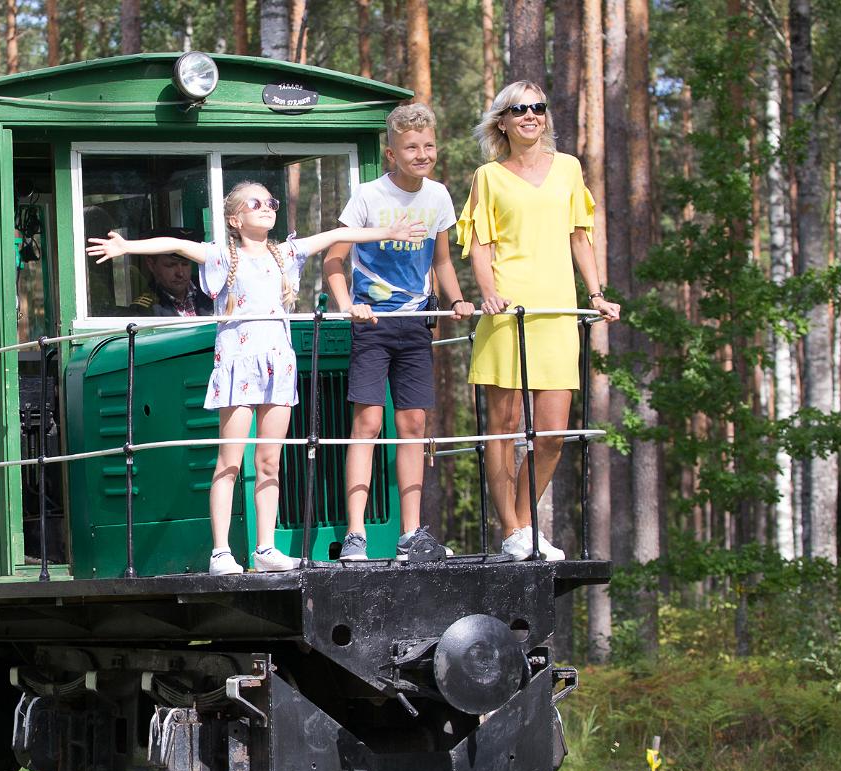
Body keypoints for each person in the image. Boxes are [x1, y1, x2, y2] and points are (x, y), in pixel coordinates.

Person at [87, 182, 427, 575]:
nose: (267, 208)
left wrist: (389, 233)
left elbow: (336, 234)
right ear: (235, 218)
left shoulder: (285, 254)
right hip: (238, 365)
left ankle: (266, 548)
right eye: (256, 203)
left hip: (278, 366)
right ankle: (221, 552)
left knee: (270, 461)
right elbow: (176, 245)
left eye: (272, 202)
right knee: (229, 461)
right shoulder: (220, 256)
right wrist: (126, 247)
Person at [458, 81, 621, 561]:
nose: (530, 115)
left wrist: (596, 293)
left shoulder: (568, 169)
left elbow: (580, 237)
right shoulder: (488, 176)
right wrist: (488, 294)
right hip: (507, 312)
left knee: (552, 433)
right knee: (502, 429)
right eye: (518, 109)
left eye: (538, 108)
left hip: (556, 313)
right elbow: (480, 244)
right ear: (502, 122)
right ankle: (510, 530)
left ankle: (525, 525)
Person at [322, 103, 473, 562]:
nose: (421, 154)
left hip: (416, 324)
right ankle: (356, 534)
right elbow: (334, 258)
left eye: (428, 146)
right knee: (367, 424)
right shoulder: (368, 196)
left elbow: (442, 260)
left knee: (414, 425)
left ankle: (412, 533)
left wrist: (457, 299)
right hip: (373, 325)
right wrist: (348, 305)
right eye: (411, 147)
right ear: (392, 154)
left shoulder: (439, 196)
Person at [128, 227, 214, 316]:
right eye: (171, 265)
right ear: (152, 265)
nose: (180, 273)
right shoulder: (145, 310)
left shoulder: (210, 288)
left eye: (185, 264)